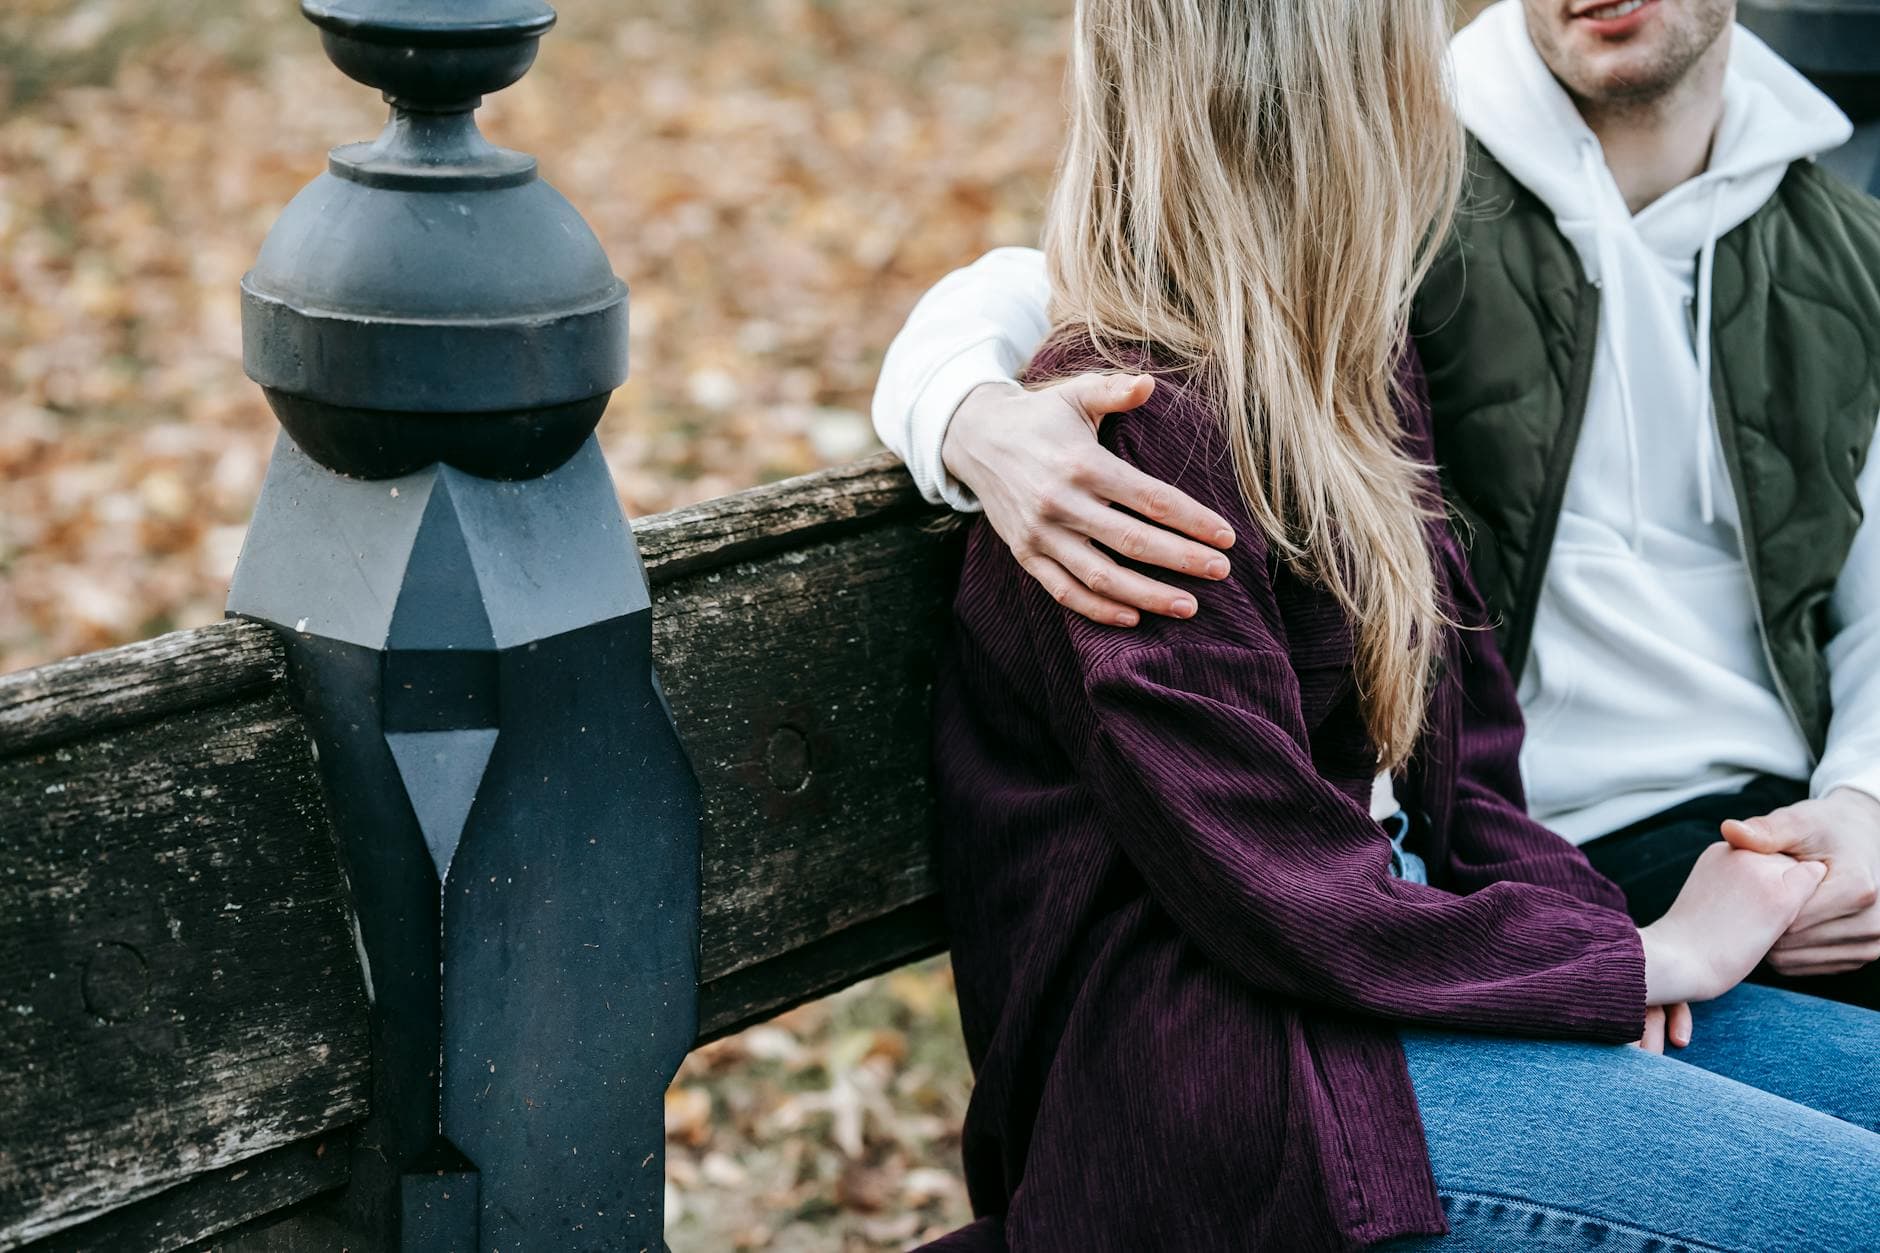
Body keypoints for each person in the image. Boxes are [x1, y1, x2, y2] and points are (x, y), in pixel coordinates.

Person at [911, 2, 1880, 1250]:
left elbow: (1465, 765)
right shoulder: (1131, 438)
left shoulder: (1352, 367)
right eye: (1416, 68)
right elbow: (1279, 884)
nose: (1446, 100)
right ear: (1358, 112)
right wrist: (1643, 962)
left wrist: (1590, 952)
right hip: (1254, 1084)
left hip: (1415, 986)